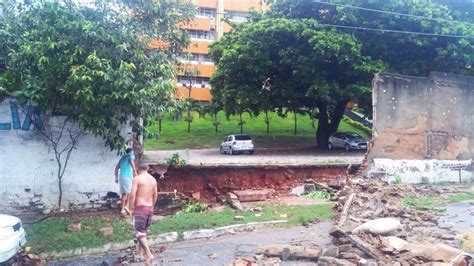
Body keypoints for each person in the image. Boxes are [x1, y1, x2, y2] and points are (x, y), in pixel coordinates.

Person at [129, 161, 158, 264]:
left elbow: (132, 195)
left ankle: (149, 254)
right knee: (143, 231)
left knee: (139, 232)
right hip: (150, 207)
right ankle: (141, 254)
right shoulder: (153, 180)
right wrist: (152, 206)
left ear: (137, 168)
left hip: (140, 208)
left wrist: (130, 208)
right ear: (148, 168)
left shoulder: (137, 179)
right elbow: (155, 195)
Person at [115, 148, 137, 215]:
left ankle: (124, 208)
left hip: (122, 176)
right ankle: (125, 207)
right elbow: (131, 161)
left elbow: (116, 168)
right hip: (127, 177)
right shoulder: (130, 155)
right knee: (129, 192)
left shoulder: (122, 158)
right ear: (131, 152)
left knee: (125, 193)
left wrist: (116, 178)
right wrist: (134, 170)